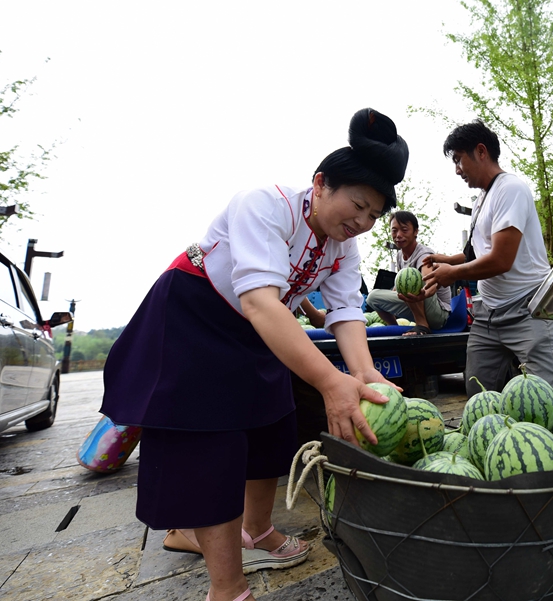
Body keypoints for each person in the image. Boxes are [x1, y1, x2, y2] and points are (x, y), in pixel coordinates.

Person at [100, 108, 409, 601]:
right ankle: (228, 588)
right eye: (357, 205)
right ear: (321, 184)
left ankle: (257, 531)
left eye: (374, 215)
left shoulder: (343, 245)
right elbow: (260, 299)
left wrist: (365, 371)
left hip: (258, 326)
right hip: (194, 313)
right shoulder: (265, 204)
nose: (363, 222)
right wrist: (330, 382)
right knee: (210, 443)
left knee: (272, 424)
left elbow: (347, 310)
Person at [422, 119, 553, 404]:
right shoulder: (481, 201)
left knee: (548, 399)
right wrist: (444, 260)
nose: (457, 170)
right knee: (479, 395)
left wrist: (452, 274)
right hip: (488, 316)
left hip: (529, 310)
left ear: (480, 151)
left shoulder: (510, 189)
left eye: (458, 160)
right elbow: (475, 254)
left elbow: (501, 259)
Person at [365, 211, 452, 335]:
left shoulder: (424, 254)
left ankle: (422, 325)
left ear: (415, 231)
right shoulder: (400, 256)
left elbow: (429, 284)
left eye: (404, 230)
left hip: (438, 314)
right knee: (372, 297)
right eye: (394, 230)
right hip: (416, 304)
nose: (398, 235)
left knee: (413, 281)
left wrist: (420, 294)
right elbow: (398, 287)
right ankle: (393, 327)